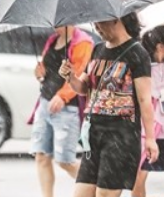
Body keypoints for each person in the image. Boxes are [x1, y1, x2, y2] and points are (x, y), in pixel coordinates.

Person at [59, 12, 159, 197]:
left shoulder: (137, 53)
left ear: (116, 19)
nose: (97, 28)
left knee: (105, 195)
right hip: (93, 133)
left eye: (100, 24)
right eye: (94, 25)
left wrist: (150, 139)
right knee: (81, 194)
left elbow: (145, 99)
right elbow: (83, 88)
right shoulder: (97, 50)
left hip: (120, 136)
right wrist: (70, 77)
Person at [30, 25, 94, 197]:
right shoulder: (52, 40)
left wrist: (63, 95)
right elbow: (46, 70)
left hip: (67, 108)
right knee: (41, 155)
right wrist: (39, 73)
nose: (53, 24)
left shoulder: (83, 42)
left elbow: (79, 73)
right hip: (45, 102)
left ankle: (92, 185)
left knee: (65, 161)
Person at [131, 25, 164, 197]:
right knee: (138, 177)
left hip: (148, 132)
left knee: (138, 177)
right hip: (152, 133)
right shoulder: (149, 69)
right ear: (160, 47)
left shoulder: (142, 68)